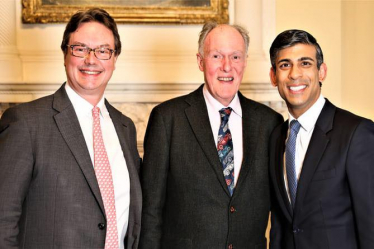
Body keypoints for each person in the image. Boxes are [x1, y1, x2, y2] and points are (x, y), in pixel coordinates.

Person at [0, 8, 141, 249]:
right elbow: (3, 220)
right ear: (65, 53)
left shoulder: (125, 127)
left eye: (103, 51)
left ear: (114, 59)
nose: (91, 60)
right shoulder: (25, 123)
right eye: (80, 49)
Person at [139, 22, 283, 248]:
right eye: (217, 56)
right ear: (200, 61)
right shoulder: (168, 119)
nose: (227, 67)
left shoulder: (269, 123)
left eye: (235, 57)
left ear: (245, 62)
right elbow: (150, 211)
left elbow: (279, 211)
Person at [268, 29, 374, 249]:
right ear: (273, 76)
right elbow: (282, 224)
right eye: (285, 65)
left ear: (322, 71)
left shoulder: (357, 133)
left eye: (305, 63)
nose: (295, 74)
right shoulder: (276, 137)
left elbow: (370, 225)